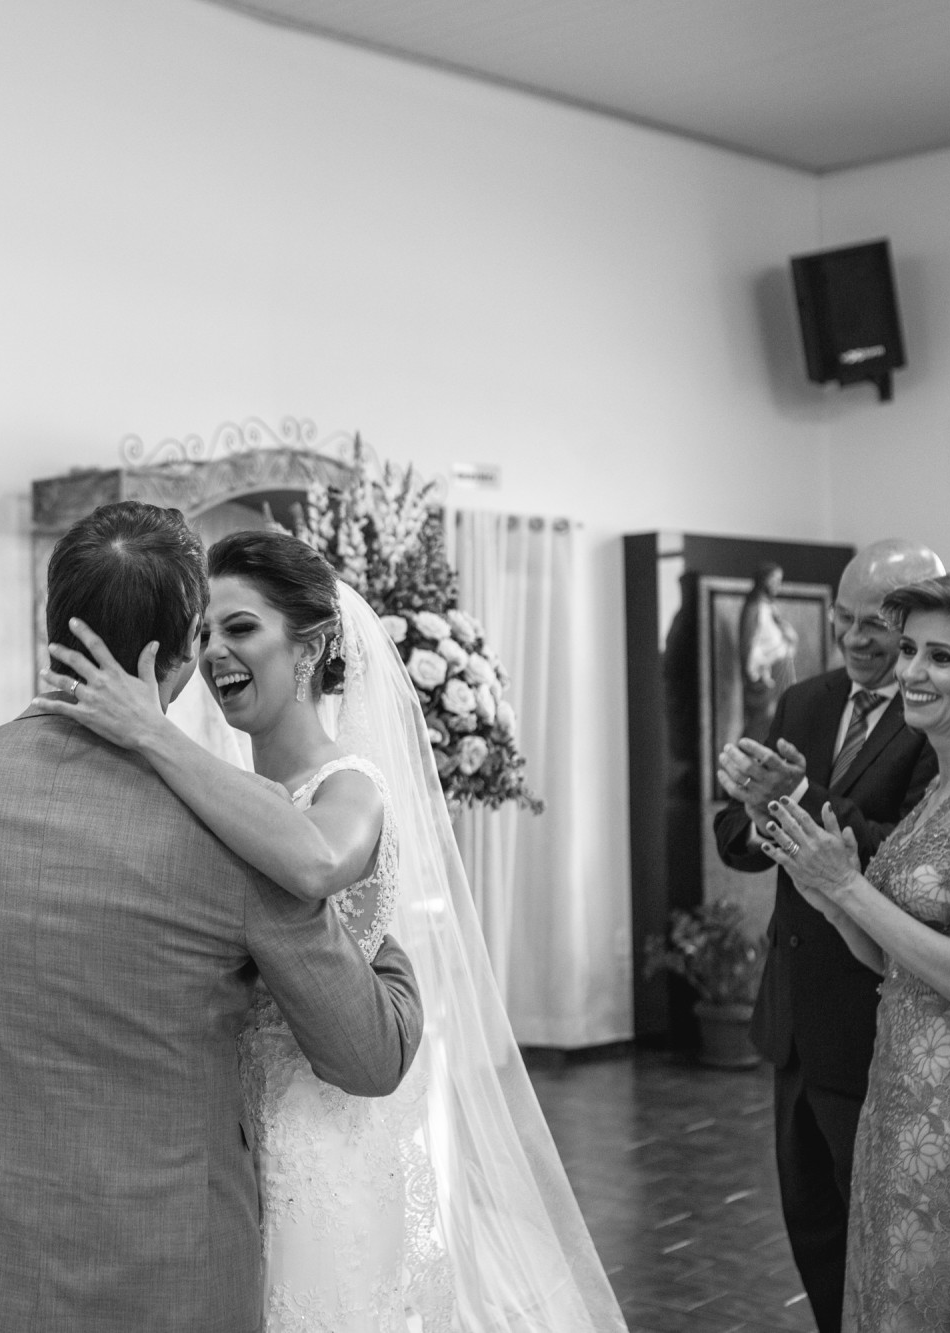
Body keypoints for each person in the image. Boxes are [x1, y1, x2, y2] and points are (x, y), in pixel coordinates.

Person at [36, 528, 626, 1333]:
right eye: (204, 632)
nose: (214, 654)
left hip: (327, 1135)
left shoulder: (352, 784)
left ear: (311, 645)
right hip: (231, 1138)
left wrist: (150, 731)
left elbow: (313, 861)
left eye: (241, 628)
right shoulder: (226, 787)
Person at [0, 502, 424, 1333]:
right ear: (180, 651)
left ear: (53, 621)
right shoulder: (239, 828)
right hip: (168, 1277)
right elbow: (366, 1056)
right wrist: (386, 948)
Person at [756, 566, 950, 1330]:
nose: (909, 672)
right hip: (899, 1090)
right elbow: (896, 961)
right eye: (909, 651)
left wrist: (850, 886)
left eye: (941, 657)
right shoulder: (944, 784)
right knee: (881, 1301)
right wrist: (828, 894)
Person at [712, 538, 943, 1333]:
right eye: (842, 617)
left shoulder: (937, 718)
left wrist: (803, 797)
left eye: (877, 622)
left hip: (875, 1010)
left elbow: (911, 857)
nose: (853, 636)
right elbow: (744, 839)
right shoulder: (806, 700)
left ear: (922, 621)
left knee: (882, 1238)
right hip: (793, 1017)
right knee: (813, 1228)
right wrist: (751, 808)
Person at [738, 562, 800, 742]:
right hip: (767, 673)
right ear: (763, 581)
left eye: (779, 581)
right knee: (765, 718)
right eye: (774, 580)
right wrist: (757, 672)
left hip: (782, 667)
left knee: (785, 717)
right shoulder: (754, 608)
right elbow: (749, 644)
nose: (777, 585)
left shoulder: (770, 608)